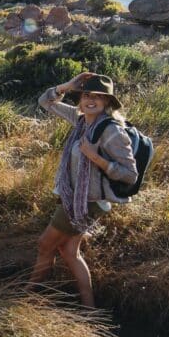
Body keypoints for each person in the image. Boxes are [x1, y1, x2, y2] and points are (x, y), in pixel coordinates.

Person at [31, 72, 137, 308]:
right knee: (69, 251)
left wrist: (96, 158)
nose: (91, 100)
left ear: (108, 102)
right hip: (73, 198)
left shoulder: (112, 131)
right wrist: (67, 86)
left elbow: (130, 174)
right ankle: (90, 310)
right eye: (87, 95)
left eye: (99, 97)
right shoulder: (80, 120)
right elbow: (45, 102)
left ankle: (29, 297)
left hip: (88, 201)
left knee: (44, 245)